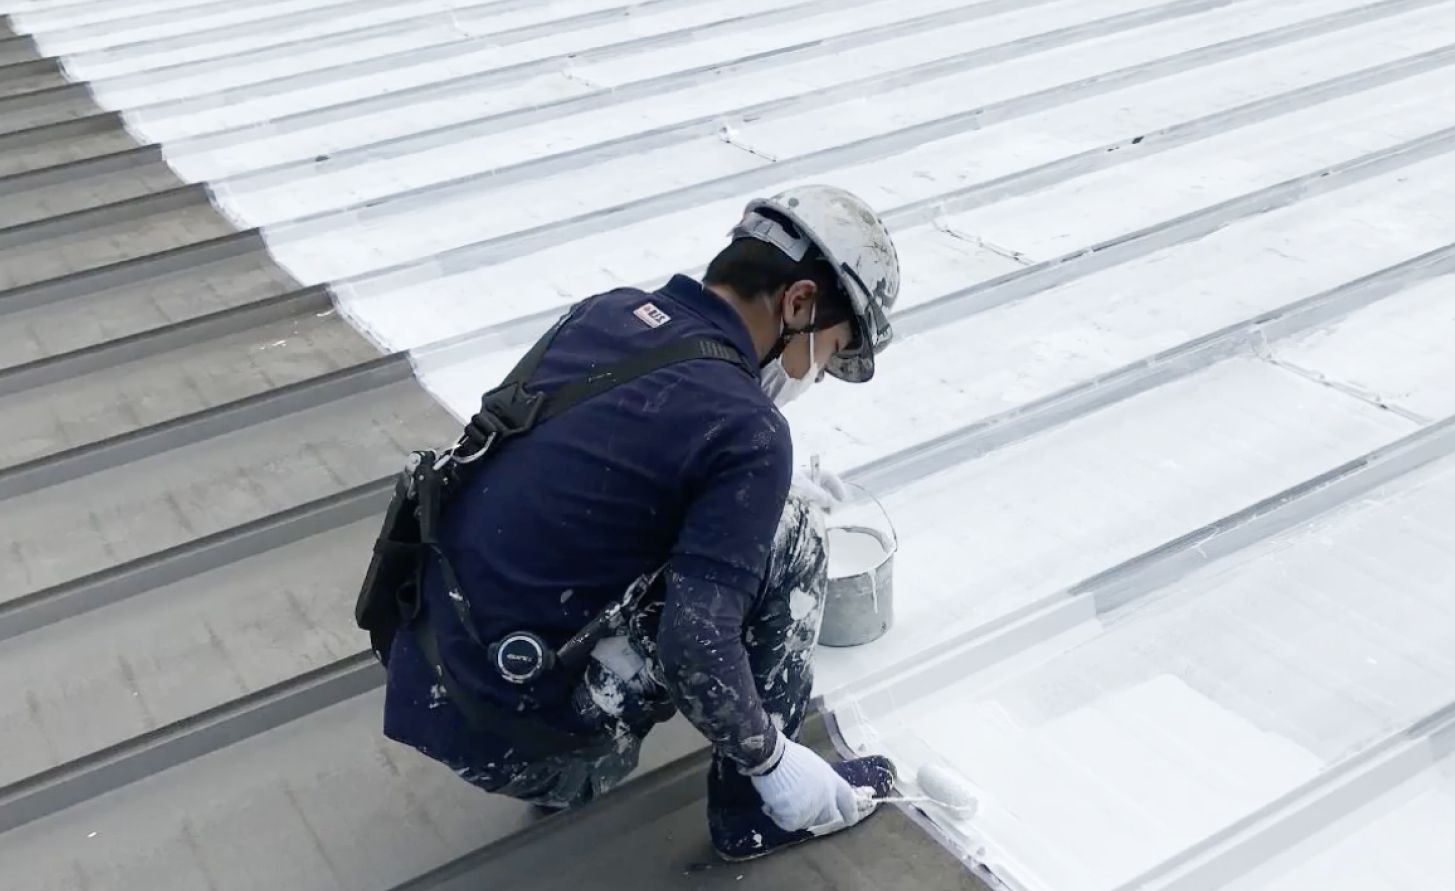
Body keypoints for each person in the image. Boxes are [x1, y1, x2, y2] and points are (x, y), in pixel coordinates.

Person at [381, 184, 902, 861]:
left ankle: (549, 702)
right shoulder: (749, 430)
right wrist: (773, 761)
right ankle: (755, 809)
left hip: (429, 674)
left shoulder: (608, 313)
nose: (821, 372)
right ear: (799, 302)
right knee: (791, 536)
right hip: (528, 750)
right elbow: (694, 640)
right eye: (831, 350)